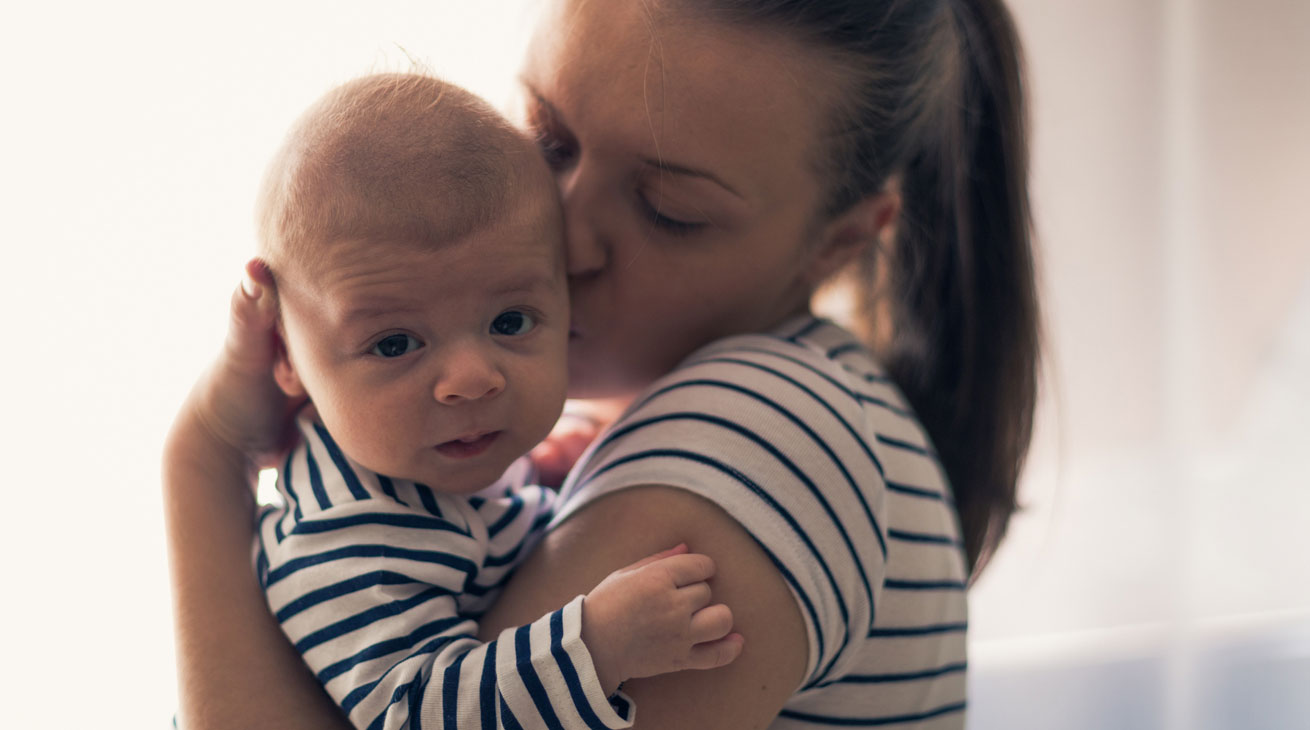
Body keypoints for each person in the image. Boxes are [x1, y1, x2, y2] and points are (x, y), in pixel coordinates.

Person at [163, 0, 1039, 727]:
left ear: (838, 243)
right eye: (548, 139)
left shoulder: (770, 430)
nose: (561, 235)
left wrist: (202, 455)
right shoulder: (759, 412)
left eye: (669, 208)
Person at [244, 72, 742, 729]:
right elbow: (412, 714)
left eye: (510, 322)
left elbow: (479, 528)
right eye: (395, 344)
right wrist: (597, 645)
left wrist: (538, 472)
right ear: (285, 354)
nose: (472, 380)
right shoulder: (345, 536)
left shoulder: (426, 451)